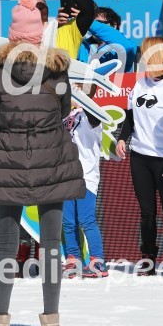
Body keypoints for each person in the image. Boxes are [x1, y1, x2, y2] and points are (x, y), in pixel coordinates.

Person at [0, 0, 81, 326]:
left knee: (6, 246)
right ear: (40, 33)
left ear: (13, 34)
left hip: (9, 159)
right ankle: (51, 325)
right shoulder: (58, 68)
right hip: (51, 157)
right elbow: (65, 109)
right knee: (51, 244)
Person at [116, 36, 163, 275]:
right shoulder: (140, 83)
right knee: (146, 211)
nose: (142, 58)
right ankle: (148, 258)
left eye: (147, 54)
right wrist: (122, 139)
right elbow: (130, 115)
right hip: (140, 156)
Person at [61, 86, 107, 279]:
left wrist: (82, 98)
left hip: (85, 175)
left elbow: (95, 119)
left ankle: (98, 261)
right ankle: (73, 259)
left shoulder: (91, 114)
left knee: (86, 220)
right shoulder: (65, 116)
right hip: (65, 175)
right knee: (67, 222)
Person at [76, 7, 137, 71]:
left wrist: (87, 20)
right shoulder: (81, 45)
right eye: (93, 22)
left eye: (98, 23)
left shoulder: (121, 48)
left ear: (113, 26)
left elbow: (128, 47)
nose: (92, 27)